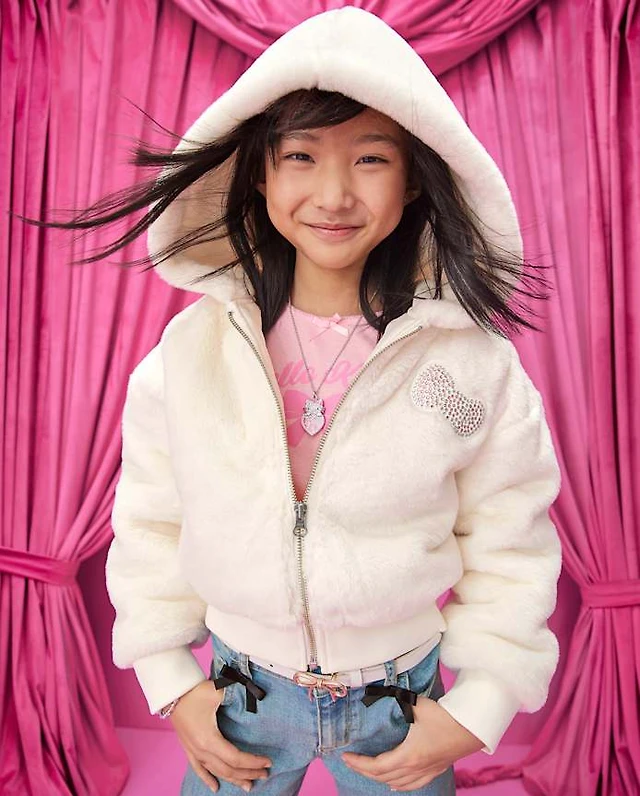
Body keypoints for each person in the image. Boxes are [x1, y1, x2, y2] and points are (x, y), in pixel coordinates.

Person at [18, 7, 563, 795]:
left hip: (397, 703)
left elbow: (512, 539)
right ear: (261, 174)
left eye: (370, 158)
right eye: (301, 156)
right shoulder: (192, 354)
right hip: (240, 698)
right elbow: (150, 524)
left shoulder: (468, 366)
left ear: (413, 177)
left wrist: (479, 706)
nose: (333, 193)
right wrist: (171, 683)